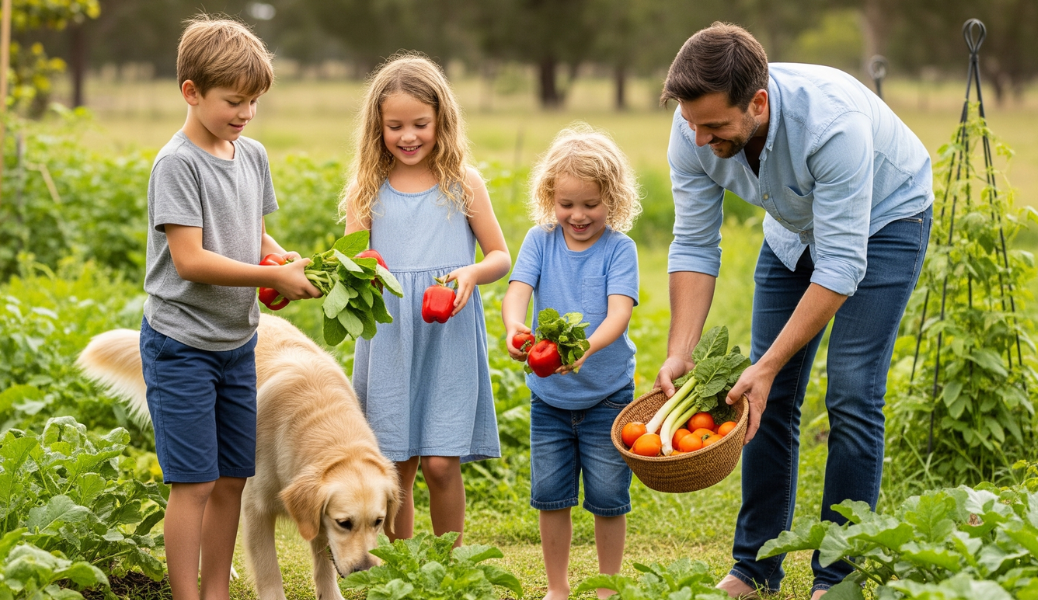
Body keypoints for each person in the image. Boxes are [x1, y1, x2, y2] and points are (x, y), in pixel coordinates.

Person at [653, 23, 934, 599]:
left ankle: (839, 576)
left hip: (884, 223)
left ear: (757, 103)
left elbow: (839, 267)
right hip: (792, 231)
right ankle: (754, 569)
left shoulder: (833, 127)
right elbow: (694, 245)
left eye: (715, 127)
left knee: (852, 393)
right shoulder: (693, 130)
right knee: (762, 399)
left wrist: (770, 361)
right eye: (691, 125)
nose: (700, 140)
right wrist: (680, 352)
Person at [139, 16, 320, 600]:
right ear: (191, 92)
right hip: (181, 345)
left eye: (254, 103)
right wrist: (272, 277)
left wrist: (275, 256)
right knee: (193, 483)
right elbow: (190, 259)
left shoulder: (252, 155)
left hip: (238, 343)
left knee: (233, 478)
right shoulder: (177, 164)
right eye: (233, 102)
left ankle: (217, 590)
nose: (245, 114)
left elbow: (253, 233)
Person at [343, 53, 512, 544]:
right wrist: (361, 274)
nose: (408, 136)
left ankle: (448, 566)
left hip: (448, 335)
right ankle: (405, 569)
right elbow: (355, 261)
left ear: (442, 120)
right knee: (395, 466)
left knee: (441, 463)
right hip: (391, 336)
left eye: (420, 123)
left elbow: (500, 256)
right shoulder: (367, 189)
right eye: (394, 125)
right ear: (378, 126)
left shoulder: (463, 184)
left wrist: (473, 273)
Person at [502, 125, 643, 600]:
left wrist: (586, 347)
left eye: (591, 204)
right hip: (549, 399)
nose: (578, 215)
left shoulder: (619, 249)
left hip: (607, 399)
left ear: (614, 199)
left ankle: (607, 588)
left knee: (608, 499)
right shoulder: (540, 241)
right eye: (567, 204)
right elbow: (517, 291)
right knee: (551, 497)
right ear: (549, 198)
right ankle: (557, 589)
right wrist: (514, 329)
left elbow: (619, 314)